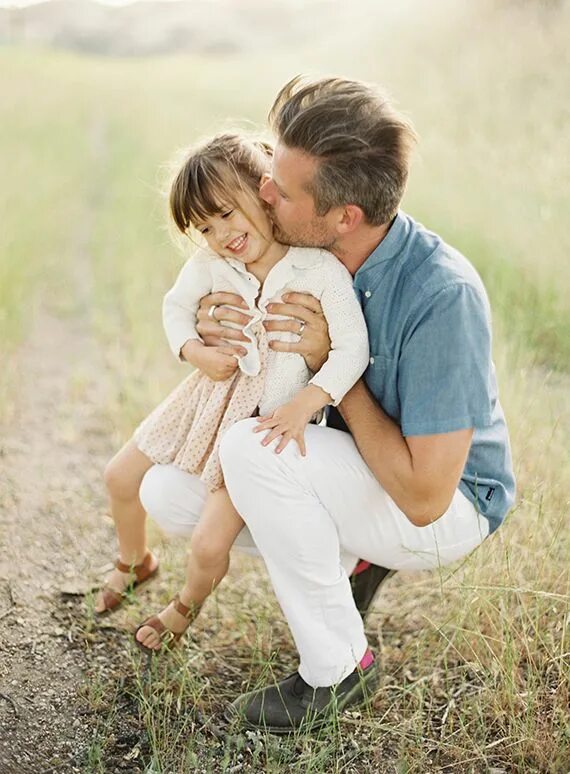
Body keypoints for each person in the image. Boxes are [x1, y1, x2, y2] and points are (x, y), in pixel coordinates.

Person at [140, 76, 516, 733]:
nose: (262, 193)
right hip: (356, 472)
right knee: (170, 493)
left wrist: (328, 368)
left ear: (343, 216)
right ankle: (354, 562)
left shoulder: (440, 296)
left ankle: (338, 669)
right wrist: (209, 322)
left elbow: (426, 497)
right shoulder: (306, 251)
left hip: (443, 506)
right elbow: (224, 314)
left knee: (249, 452)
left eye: (279, 191)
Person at [94, 132, 370, 657]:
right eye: (205, 226)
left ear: (265, 191)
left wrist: (308, 402)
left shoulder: (318, 268)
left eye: (226, 213)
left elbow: (352, 348)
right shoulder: (210, 266)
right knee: (118, 476)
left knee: (207, 541)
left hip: (263, 421)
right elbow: (175, 310)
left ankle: (186, 606)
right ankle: (134, 561)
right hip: (203, 397)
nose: (221, 234)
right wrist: (194, 351)